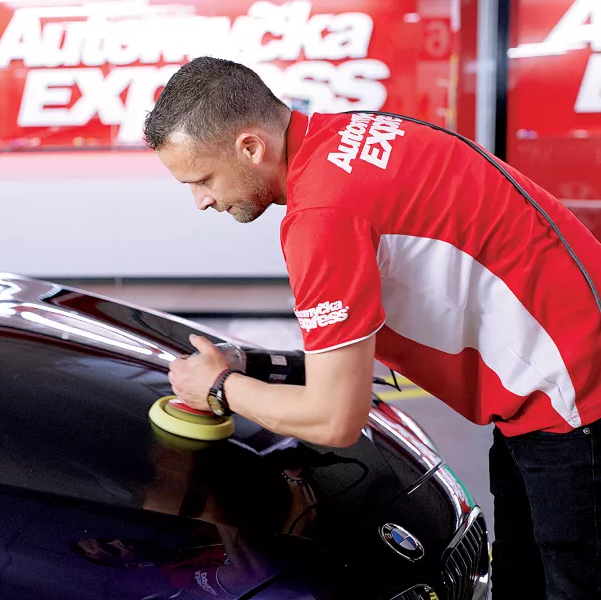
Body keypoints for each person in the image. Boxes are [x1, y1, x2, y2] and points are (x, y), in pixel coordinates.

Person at [142, 56, 601, 599]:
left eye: (202, 179)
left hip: (576, 408)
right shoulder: (353, 134)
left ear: (250, 147)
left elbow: (337, 418)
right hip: (554, 392)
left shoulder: (322, 217)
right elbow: (356, 354)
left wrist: (219, 388)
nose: (202, 201)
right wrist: (255, 366)